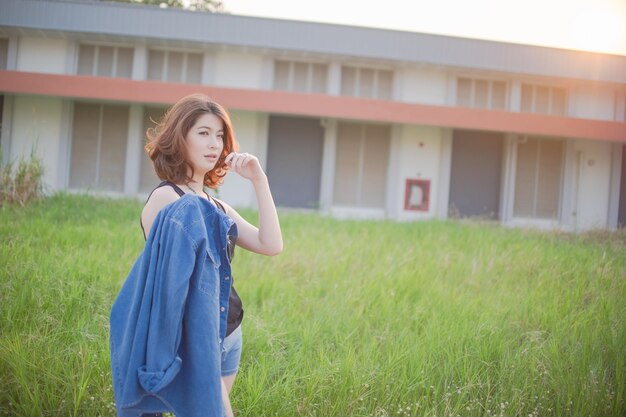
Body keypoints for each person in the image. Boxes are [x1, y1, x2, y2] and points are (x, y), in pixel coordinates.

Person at [140, 93, 283, 415]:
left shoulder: (216, 204)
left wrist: (259, 181)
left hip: (230, 333)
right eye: (203, 133)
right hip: (197, 336)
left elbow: (271, 244)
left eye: (220, 135)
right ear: (180, 137)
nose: (214, 144)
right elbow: (169, 283)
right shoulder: (167, 198)